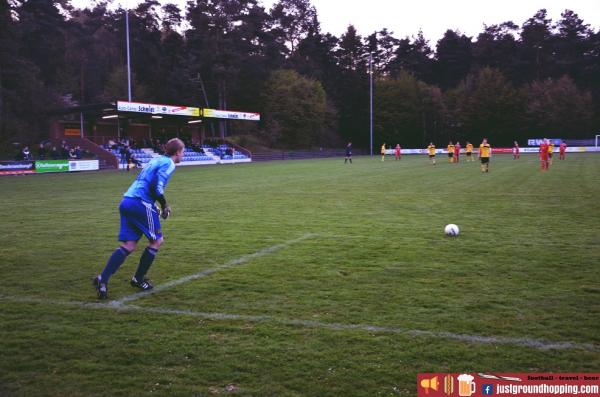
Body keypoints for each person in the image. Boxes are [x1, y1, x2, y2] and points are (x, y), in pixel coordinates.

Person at [92, 138, 185, 300]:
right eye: (182, 151)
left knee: (129, 244)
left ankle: (103, 279)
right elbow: (156, 186)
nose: (183, 155)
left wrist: (153, 205)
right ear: (177, 152)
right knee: (157, 241)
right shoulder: (169, 163)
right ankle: (138, 279)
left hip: (127, 200)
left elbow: (146, 183)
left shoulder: (156, 159)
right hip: (139, 202)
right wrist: (164, 205)